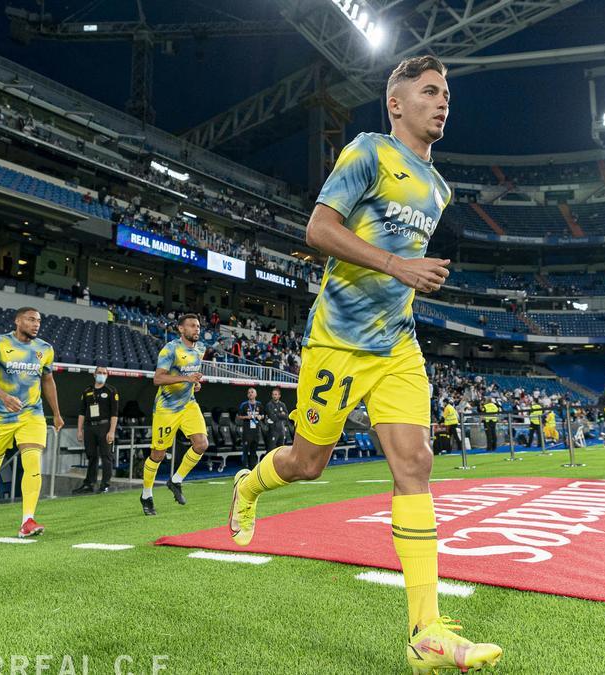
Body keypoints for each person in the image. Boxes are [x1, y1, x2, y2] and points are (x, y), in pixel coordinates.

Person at [225, 56, 501, 672]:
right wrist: (399, 266)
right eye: (429, 91)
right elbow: (318, 229)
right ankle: (250, 483)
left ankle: (424, 633)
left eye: (447, 93)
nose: (442, 101)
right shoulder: (370, 152)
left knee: (416, 463)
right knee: (308, 464)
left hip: (398, 344)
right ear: (396, 104)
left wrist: (407, 278)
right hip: (340, 341)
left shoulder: (440, 187)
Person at [0, 307, 64, 537]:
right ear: (18, 321)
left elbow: (48, 380)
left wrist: (56, 412)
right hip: (0, 416)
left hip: (32, 414)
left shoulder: (45, 349)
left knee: (33, 462)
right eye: (31, 319)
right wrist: (4, 397)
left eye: (39, 320)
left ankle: (28, 519)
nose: (36, 324)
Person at [142, 314, 209, 516]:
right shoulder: (170, 349)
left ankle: (176, 480)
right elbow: (158, 378)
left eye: (198, 326)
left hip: (188, 404)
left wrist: (194, 383)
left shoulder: (201, 349)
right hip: (167, 408)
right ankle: (146, 495)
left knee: (201, 444)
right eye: (192, 326)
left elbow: (191, 377)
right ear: (181, 329)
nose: (196, 329)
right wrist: (187, 378)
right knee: (158, 454)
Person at [76, 366, 119, 493]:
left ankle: (105, 484)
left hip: (104, 426)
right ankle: (89, 483)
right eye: (99, 372)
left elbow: (114, 413)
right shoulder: (87, 391)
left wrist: (111, 431)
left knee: (106, 455)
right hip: (89, 427)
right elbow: (82, 412)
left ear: (107, 375)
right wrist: (79, 430)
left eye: (104, 373)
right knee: (91, 456)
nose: (101, 374)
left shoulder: (111, 391)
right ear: (94, 374)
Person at [236, 388, 265, 470]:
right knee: (245, 450)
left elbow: (263, 415)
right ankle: (244, 468)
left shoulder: (259, 404)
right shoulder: (244, 405)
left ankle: (252, 469)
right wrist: (246, 417)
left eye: (252, 392)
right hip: (247, 431)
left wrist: (260, 417)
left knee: (253, 451)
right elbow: (238, 416)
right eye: (248, 392)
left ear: (256, 394)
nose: (250, 394)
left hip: (256, 431)